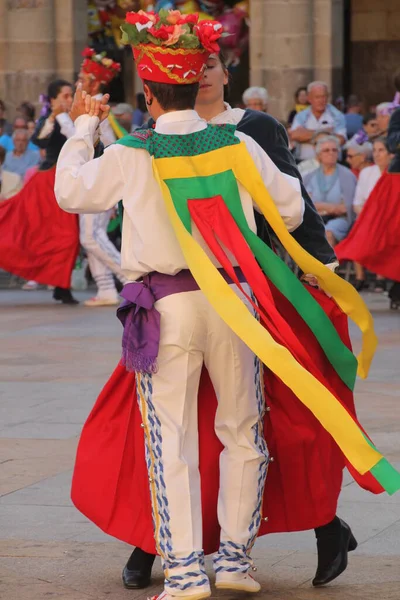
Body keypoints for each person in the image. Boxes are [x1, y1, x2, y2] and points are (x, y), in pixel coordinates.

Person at [61, 14, 398, 599]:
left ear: (147, 93)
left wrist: (82, 131)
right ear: (198, 84)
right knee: (243, 430)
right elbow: (291, 210)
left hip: (166, 306)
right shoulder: (239, 142)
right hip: (238, 301)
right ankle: (237, 563)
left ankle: (186, 571)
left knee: (170, 436)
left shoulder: (134, 151)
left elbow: (70, 193)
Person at [0, 79, 81, 304]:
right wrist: (54, 116)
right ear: (53, 99)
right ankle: (61, 286)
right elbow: (39, 139)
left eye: (69, 95)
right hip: (49, 182)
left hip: (66, 181)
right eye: (64, 95)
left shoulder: (75, 118)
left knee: (66, 238)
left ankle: (61, 285)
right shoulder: (50, 119)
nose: (69, 99)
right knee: (52, 235)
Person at [75, 48, 128, 307]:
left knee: (91, 236)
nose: (78, 82)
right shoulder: (92, 103)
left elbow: (81, 139)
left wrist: (62, 115)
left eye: (82, 78)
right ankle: (107, 289)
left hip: (99, 175)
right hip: (95, 174)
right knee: (92, 235)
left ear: (95, 82)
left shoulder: (92, 104)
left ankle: (130, 280)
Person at [339, 137, 394, 292]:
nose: (376, 154)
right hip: (368, 218)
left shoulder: (395, 174)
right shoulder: (366, 173)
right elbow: (357, 203)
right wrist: (371, 216)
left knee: (382, 231)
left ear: (391, 154)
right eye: (374, 150)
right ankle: (360, 276)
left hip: (391, 219)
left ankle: (380, 277)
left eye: (381, 150)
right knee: (363, 229)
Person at [303, 135, 357, 247]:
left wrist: (319, 206)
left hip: (339, 220)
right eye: (326, 150)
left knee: (327, 233)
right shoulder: (309, 177)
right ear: (319, 155)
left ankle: (329, 265)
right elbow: (305, 204)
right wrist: (331, 207)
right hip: (315, 218)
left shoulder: (347, 176)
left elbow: (345, 208)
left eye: (334, 150)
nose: (331, 153)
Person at [290, 81, 347, 162]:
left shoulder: (337, 115)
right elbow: (295, 135)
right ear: (309, 98)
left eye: (323, 97)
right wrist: (326, 132)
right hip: (305, 162)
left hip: (331, 163)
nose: (321, 100)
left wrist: (306, 136)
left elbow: (340, 140)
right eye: (317, 97)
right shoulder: (301, 116)